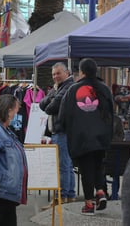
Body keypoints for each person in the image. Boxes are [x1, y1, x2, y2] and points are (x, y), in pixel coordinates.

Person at [57, 58, 114, 216]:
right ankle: (101, 192)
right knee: (98, 165)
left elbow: (63, 114)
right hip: (101, 136)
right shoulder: (104, 88)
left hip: (81, 137)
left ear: (81, 72)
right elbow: (112, 112)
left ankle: (89, 204)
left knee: (85, 170)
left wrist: (58, 128)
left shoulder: (72, 90)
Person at [0, 95, 28, 226]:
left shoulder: (2, 129)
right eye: (15, 110)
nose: (16, 114)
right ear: (8, 111)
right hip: (1, 193)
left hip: (5, 193)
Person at [38, 62, 75, 203]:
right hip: (59, 131)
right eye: (53, 74)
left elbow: (50, 108)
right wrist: (51, 98)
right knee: (67, 165)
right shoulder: (58, 87)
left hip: (62, 131)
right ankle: (69, 195)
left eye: (58, 73)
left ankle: (62, 196)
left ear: (67, 73)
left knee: (63, 165)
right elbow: (42, 104)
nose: (55, 76)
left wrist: (51, 99)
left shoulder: (68, 87)